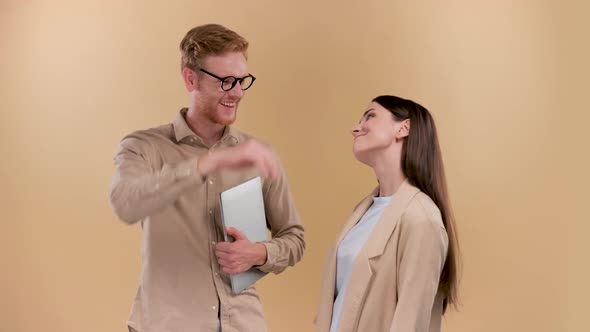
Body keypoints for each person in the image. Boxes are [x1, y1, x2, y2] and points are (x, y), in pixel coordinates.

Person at [109, 24, 305, 332]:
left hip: (244, 324)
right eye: (226, 81)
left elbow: (294, 238)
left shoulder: (258, 154)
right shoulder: (143, 147)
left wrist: (260, 252)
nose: (237, 93)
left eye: (242, 81)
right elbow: (125, 203)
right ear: (191, 78)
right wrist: (207, 163)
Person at [315, 95, 460, 332]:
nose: (355, 127)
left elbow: (410, 323)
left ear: (404, 128)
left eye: (370, 115)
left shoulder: (421, 219)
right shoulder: (364, 211)